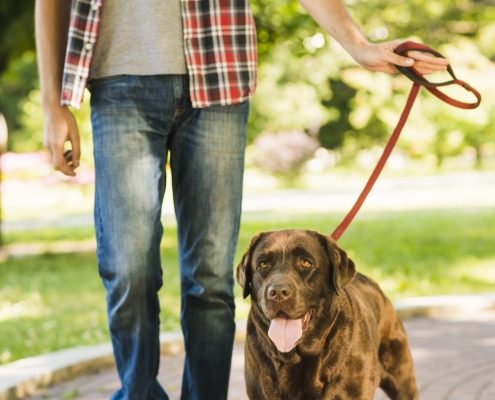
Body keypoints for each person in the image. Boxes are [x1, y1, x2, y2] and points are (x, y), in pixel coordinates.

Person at [35, 0, 449, 399]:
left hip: (219, 77)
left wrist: (358, 44)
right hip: (118, 77)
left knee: (211, 282)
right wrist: (52, 103)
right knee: (128, 271)